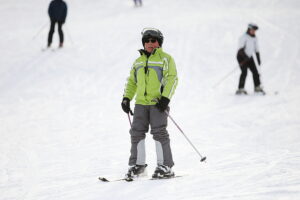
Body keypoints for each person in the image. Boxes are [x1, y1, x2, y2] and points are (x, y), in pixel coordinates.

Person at [121, 28, 178, 179]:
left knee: (159, 132)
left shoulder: (165, 59)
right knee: (136, 133)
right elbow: (132, 82)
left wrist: (165, 98)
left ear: (159, 43)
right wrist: (126, 98)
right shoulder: (138, 62)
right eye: (147, 40)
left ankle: (165, 166)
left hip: (157, 103)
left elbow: (172, 78)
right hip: (140, 104)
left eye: (154, 40)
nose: (150, 43)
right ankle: (138, 166)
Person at [236, 23, 265, 95]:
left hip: (249, 57)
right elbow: (240, 50)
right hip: (241, 57)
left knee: (255, 72)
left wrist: (258, 57)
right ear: (249, 29)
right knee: (244, 72)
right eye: (252, 30)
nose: (254, 31)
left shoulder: (255, 38)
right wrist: (245, 58)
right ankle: (240, 88)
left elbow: (256, 49)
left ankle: (257, 87)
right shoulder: (243, 37)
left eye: (255, 30)